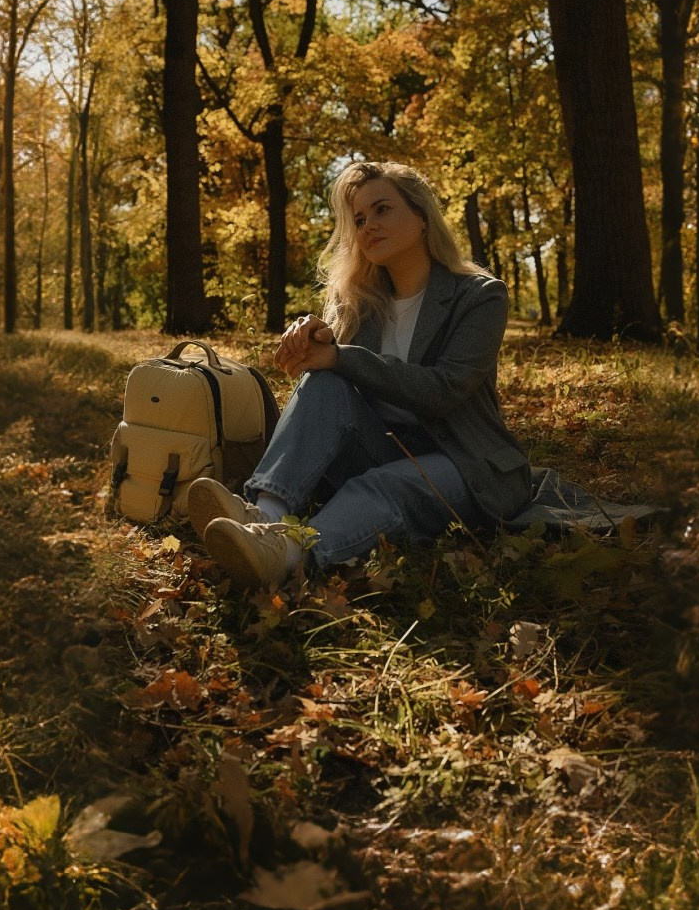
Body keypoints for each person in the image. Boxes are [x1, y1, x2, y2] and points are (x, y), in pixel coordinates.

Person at [185, 159, 532, 590]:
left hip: (463, 461)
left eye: (382, 209)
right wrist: (317, 344)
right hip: (382, 448)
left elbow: (445, 390)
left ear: (421, 216)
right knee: (324, 381)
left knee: (382, 484)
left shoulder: (479, 296)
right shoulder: (358, 301)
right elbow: (329, 398)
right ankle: (265, 515)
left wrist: (342, 357)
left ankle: (286, 553)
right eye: (359, 219)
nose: (368, 226)